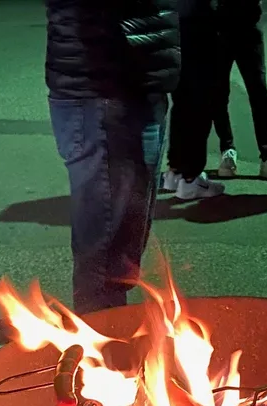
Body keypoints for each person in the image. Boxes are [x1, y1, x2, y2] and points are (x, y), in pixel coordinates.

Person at [44, 0, 180, 314]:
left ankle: (109, 341)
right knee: (105, 262)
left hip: (138, 80)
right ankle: (101, 350)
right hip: (105, 86)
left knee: (120, 254)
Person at [211, 0, 267, 183]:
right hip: (218, 25)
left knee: (259, 92)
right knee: (218, 93)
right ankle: (227, 150)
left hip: (248, 25)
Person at [164, 0, 228, 200]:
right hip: (199, 23)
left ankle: (175, 171)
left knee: (182, 100)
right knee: (200, 103)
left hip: (174, 19)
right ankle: (191, 178)